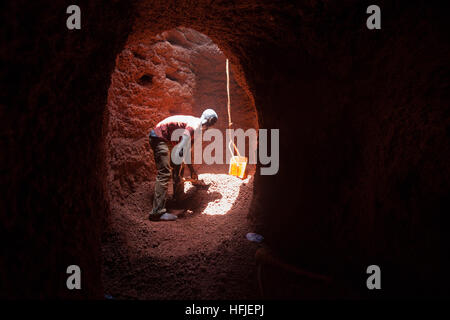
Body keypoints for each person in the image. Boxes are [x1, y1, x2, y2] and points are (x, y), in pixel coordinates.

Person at [148, 109, 218, 221]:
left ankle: (177, 204)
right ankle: (157, 213)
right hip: (159, 137)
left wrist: (192, 170)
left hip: (168, 140)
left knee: (179, 170)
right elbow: (181, 146)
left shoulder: (198, 130)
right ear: (209, 122)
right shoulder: (195, 125)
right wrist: (178, 163)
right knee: (165, 172)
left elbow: (187, 151)